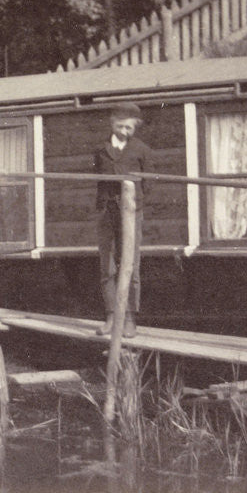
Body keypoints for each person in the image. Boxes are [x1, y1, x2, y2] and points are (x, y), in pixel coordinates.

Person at [94, 102, 152, 338]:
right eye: (120, 126)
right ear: (112, 123)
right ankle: (111, 316)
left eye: (129, 128)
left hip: (131, 212)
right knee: (107, 264)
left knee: (130, 264)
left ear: (135, 127)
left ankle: (129, 318)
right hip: (106, 211)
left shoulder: (142, 150)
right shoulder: (101, 149)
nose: (124, 132)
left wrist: (134, 205)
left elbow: (148, 184)